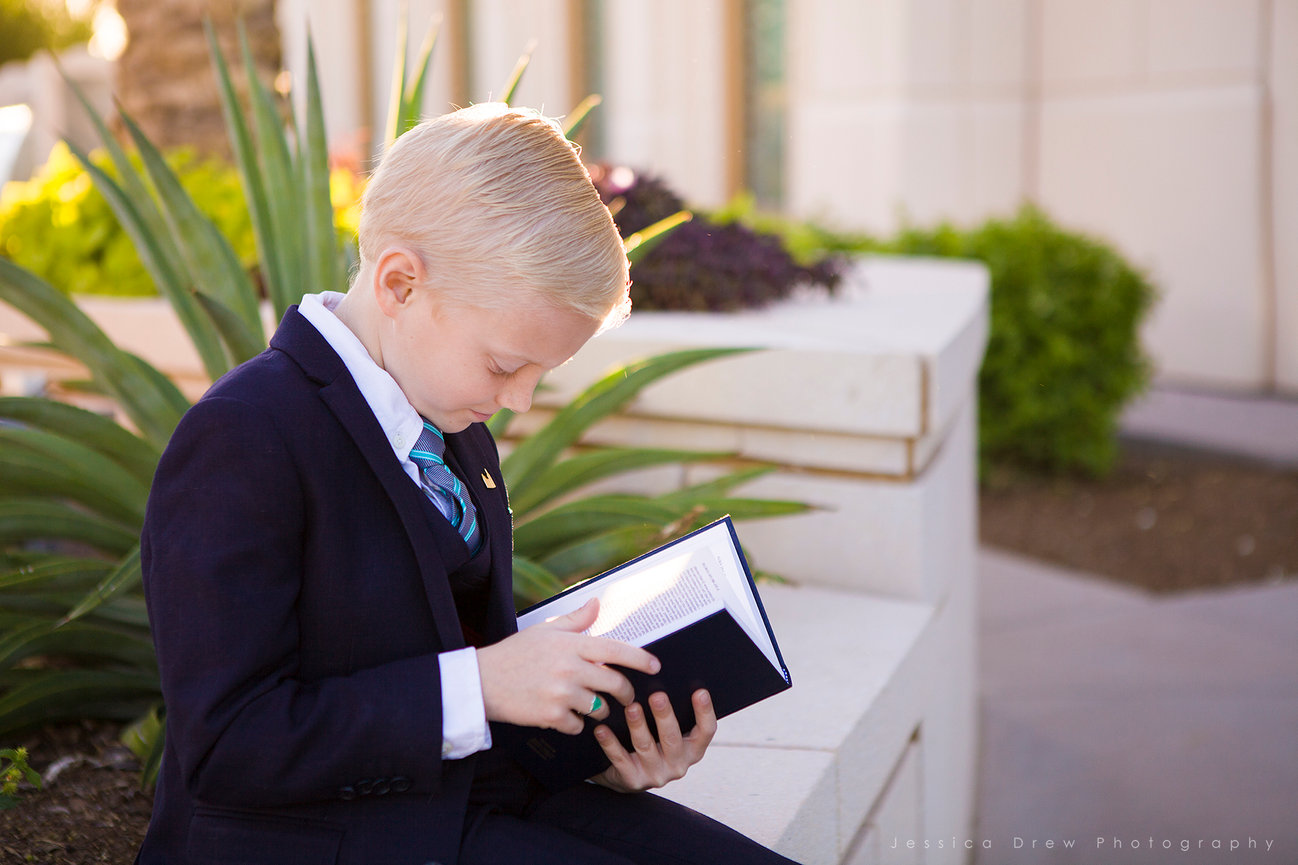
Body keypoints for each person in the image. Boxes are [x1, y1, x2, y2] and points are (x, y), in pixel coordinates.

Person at [136, 103, 799, 865]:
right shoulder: (243, 436)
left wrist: (597, 749)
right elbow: (227, 743)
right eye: (503, 364)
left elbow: (462, 671)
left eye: (538, 375)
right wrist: (480, 683)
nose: (517, 399)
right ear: (400, 284)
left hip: (472, 804)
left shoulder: (450, 418)